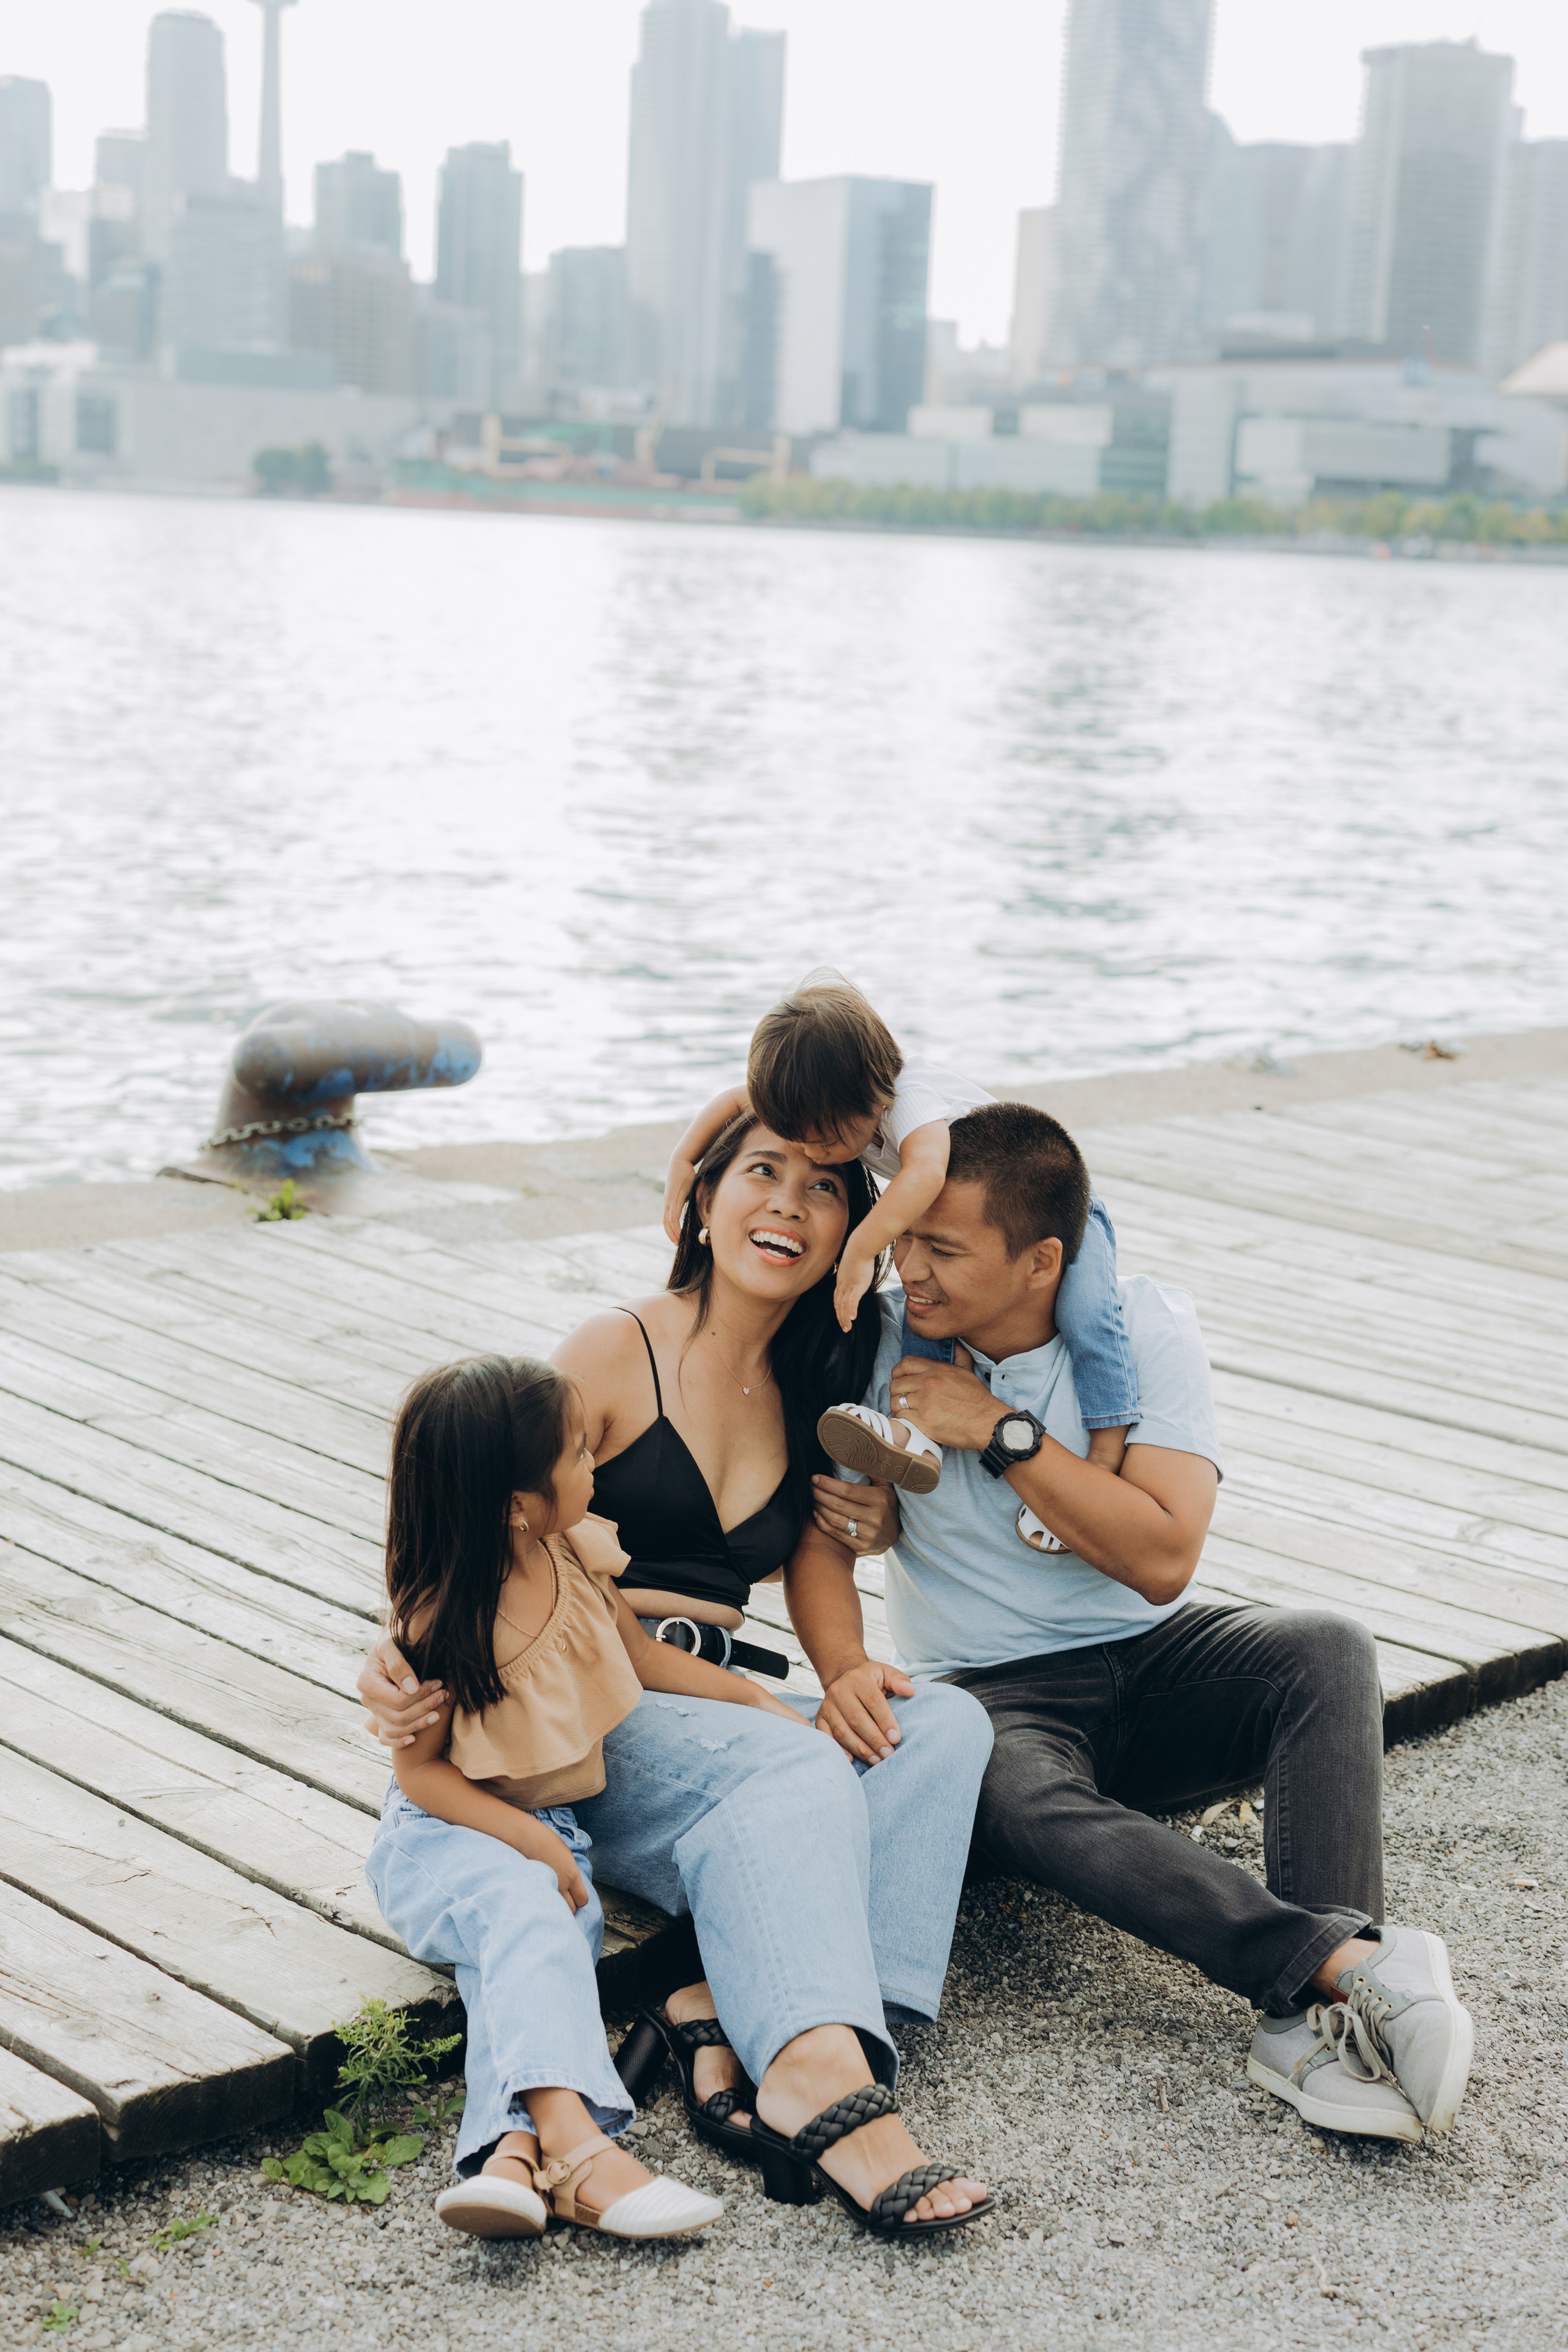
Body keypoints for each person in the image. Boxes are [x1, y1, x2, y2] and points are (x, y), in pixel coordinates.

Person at [794, 1099, 1475, 2146]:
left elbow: (1163, 1560)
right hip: (991, 1694)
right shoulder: (879, 1341)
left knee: (1327, 1647)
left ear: (1041, 1262)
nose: (910, 1272)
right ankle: (1338, 1975)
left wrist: (1000, 1430)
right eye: (906, 1241)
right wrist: (842, 1665)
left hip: (1156, 1663)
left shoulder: (1145, 1328)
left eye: (942, 1247)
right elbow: (823, 1541)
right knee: (1002, 1779)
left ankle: (1318, 2018)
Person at [358, 1120, 993, 2231]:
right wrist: (394, 1663)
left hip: (698, 1708)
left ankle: (738, 2008)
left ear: (861, 1226)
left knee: (939, 1729)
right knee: (793, 1773)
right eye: (761, 1174)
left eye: (824, 1189)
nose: (789, 1208)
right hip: (586, 1717)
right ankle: (817, 2079)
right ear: (701, 1200)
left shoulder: (819, 1376)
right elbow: (477, 1517)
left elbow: (814, 1564)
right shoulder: (613, 1351)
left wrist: (839, 1676)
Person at [662, 970, 1138, 1537]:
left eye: (827, 1137)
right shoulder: (839, 1102)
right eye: (802, 1136)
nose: (816, 1150)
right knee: (921, 1321)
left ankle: (1103, 1459)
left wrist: (864, 1249)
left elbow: (926, 1172)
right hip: (956, 1235)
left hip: (1057, 1217)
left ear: (868, 1090)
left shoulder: (911, 1097)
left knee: (1090, 1321)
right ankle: (916, 1434)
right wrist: (682, 1163)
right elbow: (734, 1101)